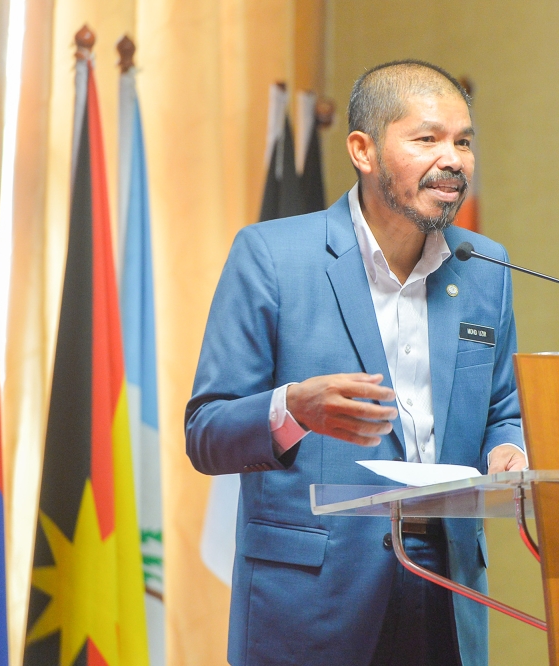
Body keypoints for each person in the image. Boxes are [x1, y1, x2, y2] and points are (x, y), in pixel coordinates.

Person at [186, 59, 526, 666]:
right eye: (427, 139)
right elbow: (206, 433)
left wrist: (510, 450)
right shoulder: (270, 256)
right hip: (313, 595)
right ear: (363, 151)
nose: (453, 160)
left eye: (464, 142)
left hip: (445, 586)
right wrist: (293, 409)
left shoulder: (485, 267)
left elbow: (505, 408)